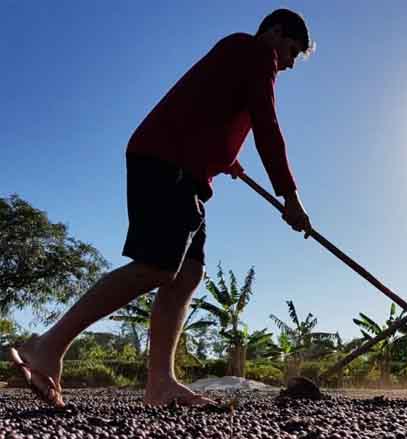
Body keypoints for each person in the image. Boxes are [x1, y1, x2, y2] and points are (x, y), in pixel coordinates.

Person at [10, 8, 314, 408]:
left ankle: (161, 383)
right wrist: (289, 195)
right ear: (275, 32)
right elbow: (266, 123)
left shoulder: (237, 55)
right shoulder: (254, 52)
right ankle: (46, 346)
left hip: (184, 169)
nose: (289, 63)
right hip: (166, 161)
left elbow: (208, 110)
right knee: (158, 264)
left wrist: (229, 160)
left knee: (188, 273)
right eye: (291, 50)